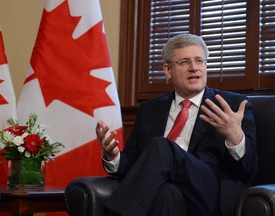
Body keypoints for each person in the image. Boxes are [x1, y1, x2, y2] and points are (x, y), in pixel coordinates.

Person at [96, 34, 257, 216]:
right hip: (173, 191)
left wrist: (235, 137)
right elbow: (134, 164)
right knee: (167, 193)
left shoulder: (231, 105)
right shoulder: (150, 109)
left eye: (199, 61)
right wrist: (113, 156)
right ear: (167, 70)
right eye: (184, 62)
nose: (194, 68)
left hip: (210, 190)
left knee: (162, 146)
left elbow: (248, 169)